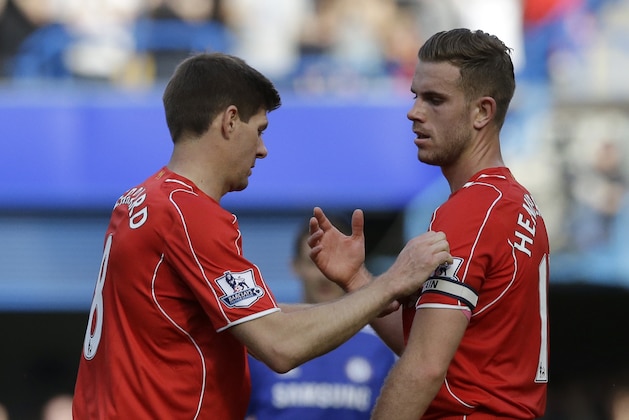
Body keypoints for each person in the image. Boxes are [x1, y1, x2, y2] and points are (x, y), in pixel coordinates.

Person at [71, 52, 452, 419]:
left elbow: (258, 317)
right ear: (230, 121)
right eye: (260, 130)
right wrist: (392, 282)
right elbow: (279, 344)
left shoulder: (141, 198)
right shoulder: (190, 213)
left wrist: (364, 292)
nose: (263, 150)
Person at [308, 28, 550, 419]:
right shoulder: (515, 203)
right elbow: (429, 344)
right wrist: (357, 279)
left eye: (435, 100)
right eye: (415, 96)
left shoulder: (473, 209)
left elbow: (424, 366)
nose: (414, 112)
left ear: (482, 112)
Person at [246, 217, 397, 419]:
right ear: (294, 266)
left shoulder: (383, 341)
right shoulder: (263, 338)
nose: (323, 274)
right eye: (313, 262)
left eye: (333, 261)